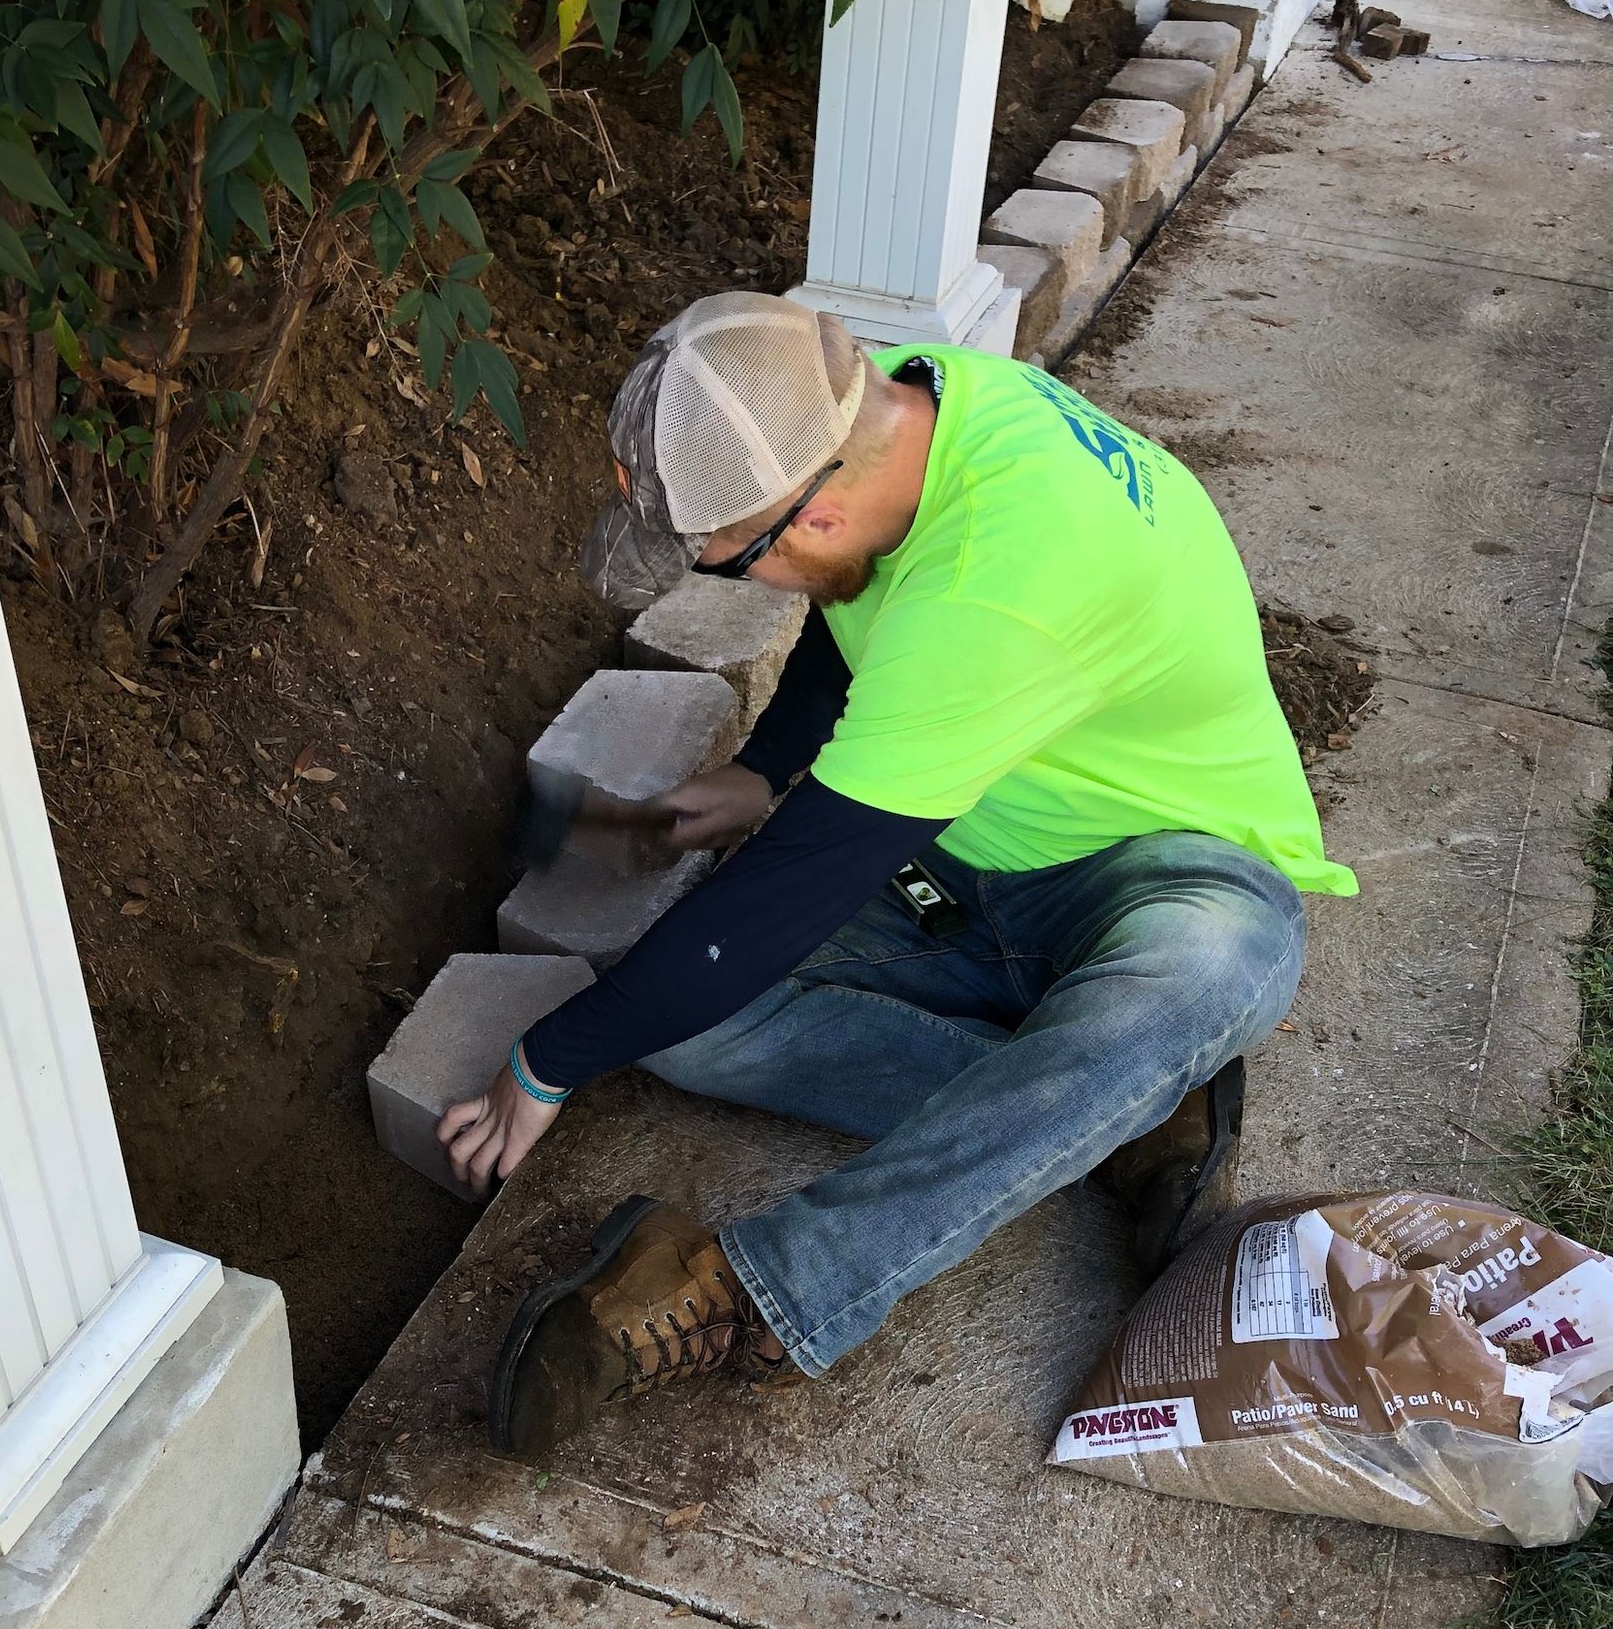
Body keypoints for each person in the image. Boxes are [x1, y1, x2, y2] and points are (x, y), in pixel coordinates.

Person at [438, 291, 1357, 1459]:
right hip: (954, 858)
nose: (751, 584)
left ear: (814, 511)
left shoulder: (1003, 581)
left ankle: (761, 1284)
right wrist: (765, 770)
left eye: (735, 565)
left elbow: (780, 901)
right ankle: (1120, 1112)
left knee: (1216, 972)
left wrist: (546, 1059)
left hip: (1167, 876)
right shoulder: (901, 411)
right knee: (684, 1026)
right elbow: (847, 610)